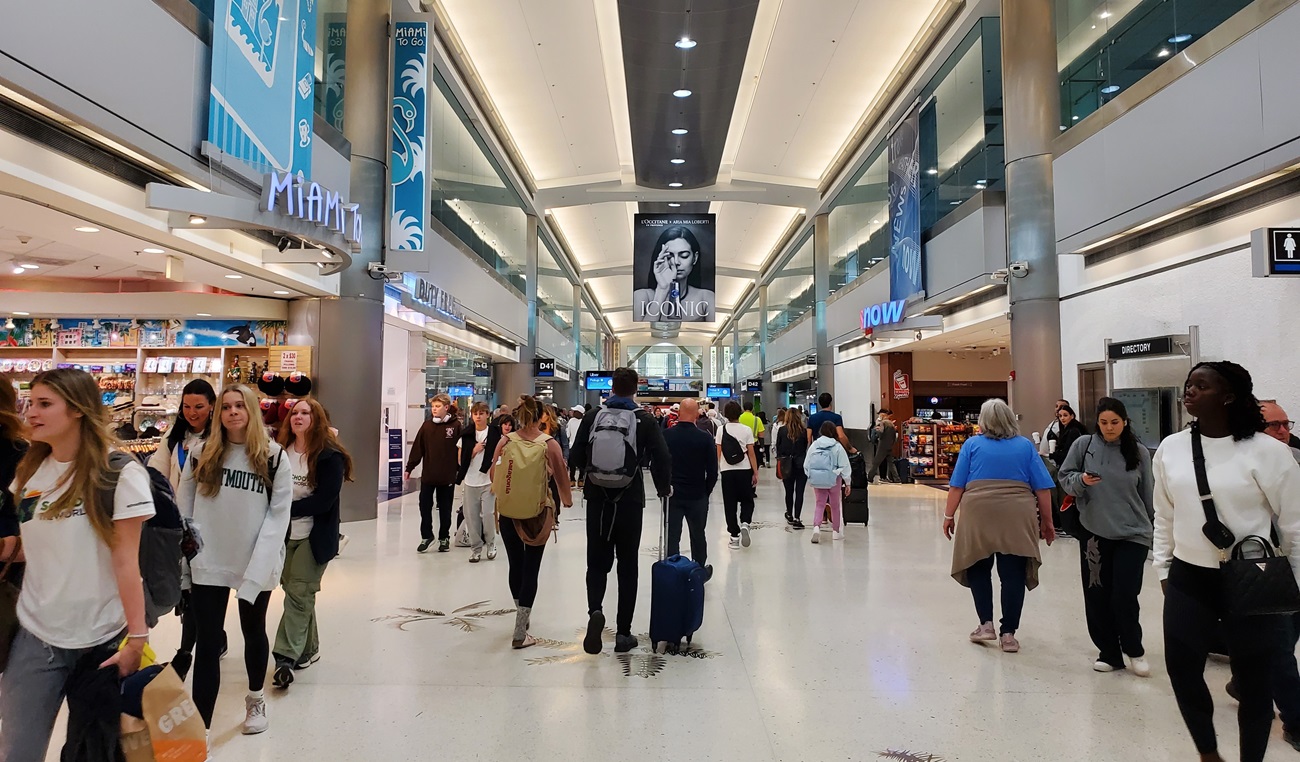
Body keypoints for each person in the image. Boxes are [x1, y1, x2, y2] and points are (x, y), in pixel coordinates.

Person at [0, 369, 154, 760]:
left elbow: (125, 562)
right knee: (17, 751)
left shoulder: (119, 474)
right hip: (37, 636)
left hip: (102, 639)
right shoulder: (28, 474)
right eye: (29, 403)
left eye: (44, 404)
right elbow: (30, 550)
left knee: (94, 752)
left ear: (79, 411)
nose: (30, 412)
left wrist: (137, 638)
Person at [1153, 361, 1300, 762]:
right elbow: (1164, 514)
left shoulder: (1268, 451)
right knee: (1182, 670)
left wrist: (1295, 588)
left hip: (1250, 577)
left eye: (1201, 386)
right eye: (1189, 384)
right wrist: (1163, 567)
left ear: (1229, 396)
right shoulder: (1171, 447)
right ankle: (1208, 753)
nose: (1190, 391)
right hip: (1188, 576)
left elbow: (1293, 525)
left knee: (1255, 681)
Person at [179, 383, 293, 735]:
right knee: (208, 641)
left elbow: (278, 516)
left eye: (239, 406)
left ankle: (255, 698)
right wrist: (186, 560)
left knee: (253, 631)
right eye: (226, 406)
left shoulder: (273, 457)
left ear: (251, 412)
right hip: (208, 560)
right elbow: (185, 507)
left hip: (253, 562)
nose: (232, 412)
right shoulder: (201, 453)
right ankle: (201, 731)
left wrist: (259, 567)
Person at [570, 367, 671, 655]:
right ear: (635, 389)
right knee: (628, 565)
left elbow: (575, 456)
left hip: (597, 499)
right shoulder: (643, 420)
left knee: (597, 562)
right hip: (629, 500)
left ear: (612, 387)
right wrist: (664, 488)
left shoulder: (592, 417)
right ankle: (624, 633)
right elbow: (663, 458)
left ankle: (595, 612)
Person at [942, 398, 1055, 655]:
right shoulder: (1025, 446)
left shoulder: (972, 445)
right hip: (1017, 513)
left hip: (978, 512)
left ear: (983, 421)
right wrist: (1047, 522)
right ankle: (1009, 635)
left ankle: (986, 625)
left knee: (979, 566)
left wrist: (949, 515)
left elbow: (957, 485)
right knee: (1012, 574)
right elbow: (1042, 488)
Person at [1058, 397, 1154, 676]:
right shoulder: (1083, 445)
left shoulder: (1138, 452)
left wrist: (1152, 529)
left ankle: (1134, 649)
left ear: (1125, 422)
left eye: (1114, 422)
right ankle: (1109, 652)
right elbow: (1065, 478)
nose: (1109, 428)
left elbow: (1148, 494)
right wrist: (1081, 481)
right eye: (1103, 423)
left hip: (1133, 534)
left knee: (1124, 595)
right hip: (1094, 533)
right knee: (1097, 595)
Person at [270, 398, 352, 690]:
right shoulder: (279, 453)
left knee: (298, 591)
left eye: (305, 412)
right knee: (298, 592)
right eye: (295, 412)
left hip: (315, 537)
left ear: (316, 419)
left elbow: (323, 501)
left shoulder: (330, 456)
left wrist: (283, 508)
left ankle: (284, 658)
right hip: (284, 535)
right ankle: (309, 648)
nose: (299, 417)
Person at [146, 378, 216, 680]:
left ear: (212, 406)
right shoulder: (173, 440)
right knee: (189, 588)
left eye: (199, 406)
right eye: (187, 407)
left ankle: (186, 651)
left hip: (211, 523)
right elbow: (157, 475)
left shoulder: (221, 440)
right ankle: (201, 642)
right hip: (181, 526)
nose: (192, 412)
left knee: (202, 588)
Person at [489, 396, 572, 649]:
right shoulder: (549, 445)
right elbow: (561, 479)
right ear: (540, 417)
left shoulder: (505, 441)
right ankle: (519, 629)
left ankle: (521, 619)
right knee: (532, 567)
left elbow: (494, 474)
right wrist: (567, 501)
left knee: (516, 564)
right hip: (536, 515)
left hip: (508, 513)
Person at [661, 399, 718, 580]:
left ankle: (672, 570)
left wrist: (662, 488)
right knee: (698, 533)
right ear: (696, 414)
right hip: (697, 494)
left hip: (673, 495)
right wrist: (705, 491)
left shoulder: (666, 436)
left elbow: (657, 465)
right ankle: (699, 570)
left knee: (672, 534)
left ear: (678, 413)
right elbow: (713, 471)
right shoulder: (705, 438)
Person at [405, 393, 461, 553]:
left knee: (445, 508)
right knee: (424, 506)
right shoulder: (427, 426)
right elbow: (418, 448)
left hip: (447, 476)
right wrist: (410, 467)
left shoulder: (455, 426)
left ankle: (444, 537)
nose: (434, 409)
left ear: (446, 407)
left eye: (437, 406)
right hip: (429, 475)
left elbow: (460, 451)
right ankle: (427, 536)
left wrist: (459, 471)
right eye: (433, 407)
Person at [631, 225, 716, 323]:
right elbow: (641, 336)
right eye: (669, 256)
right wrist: (662, 290)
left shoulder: (706, 297)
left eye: (684, 255)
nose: (676, 262)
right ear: (660, 257)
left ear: (695, 258)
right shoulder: (642, 296)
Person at [456, 402, 500, 563]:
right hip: (470, 481)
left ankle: (491, 544)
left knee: (488, 514)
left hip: (488, 481)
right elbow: (460, 460)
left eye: (482, 413)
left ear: (488, 415)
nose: (478, 416)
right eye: (476, 414)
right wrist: (473, 452)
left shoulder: (495, 434)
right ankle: (476, 548)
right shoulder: (466, 435)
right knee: (471, 516)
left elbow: (500, 456)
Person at [716, 401, 759, 550]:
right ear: (739, 413)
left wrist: (721, 467)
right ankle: (745, 522)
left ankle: (734, 537)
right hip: (744, 469)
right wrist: (755, 472)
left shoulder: (721, 430)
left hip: (727, 471)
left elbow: (719, 452)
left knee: (730, 504)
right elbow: (751, 453)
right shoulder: (746, 430)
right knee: (747, 499)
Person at [805, 421, 852, 544]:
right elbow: (845, 465)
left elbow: (807, 463)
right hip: (834, 479)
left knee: (820, 504)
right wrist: (848, 482)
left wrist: (811, 476)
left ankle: (816, 527)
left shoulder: (815, 445)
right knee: (835, 505)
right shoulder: (837, 446)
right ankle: (836, 532)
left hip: (818, 479)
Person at [776, 407, 808, 529]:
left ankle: (789, 514)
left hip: (786, 464)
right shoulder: (803, 431)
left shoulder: (782, 430)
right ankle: (797, 518)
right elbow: (805, 446)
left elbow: (779, 447)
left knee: (789, 491)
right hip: (801, 464)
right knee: (799, 492)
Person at [1049, 403, 1087, 469]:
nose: (1062, 418)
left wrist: (1052, 455)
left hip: (1073, 466)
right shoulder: (1065, 429)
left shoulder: (1074, 431)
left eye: (1065, 415)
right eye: (1060, 416)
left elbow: (1068, 453)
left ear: (1072, 416)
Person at [869, 411, 898, 485]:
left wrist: (877, 432)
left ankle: (870, 478)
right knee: (891, 463)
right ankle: (897, 479)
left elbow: (881, 432)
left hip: (882, 446)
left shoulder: (883, 423)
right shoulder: (891, 424)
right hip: (890, 445)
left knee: (876, 463)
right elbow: (895, 436)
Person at [738, 402, 766, 468]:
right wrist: (762, 446)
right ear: (752, 409)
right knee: (754, 463)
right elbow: (761, 435)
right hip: (753, 445)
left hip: (740, 445)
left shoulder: (738, 418)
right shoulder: (757, 419)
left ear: (743, 409)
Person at [566, 405, 585, 487]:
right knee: (576, 464)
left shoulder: (572, 421)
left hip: (573, 445)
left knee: (575, 464)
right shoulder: (573, 421)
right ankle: (576, 479)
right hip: (576, 445)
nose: (573, 413)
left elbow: (567, 434)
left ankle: (576, 479)